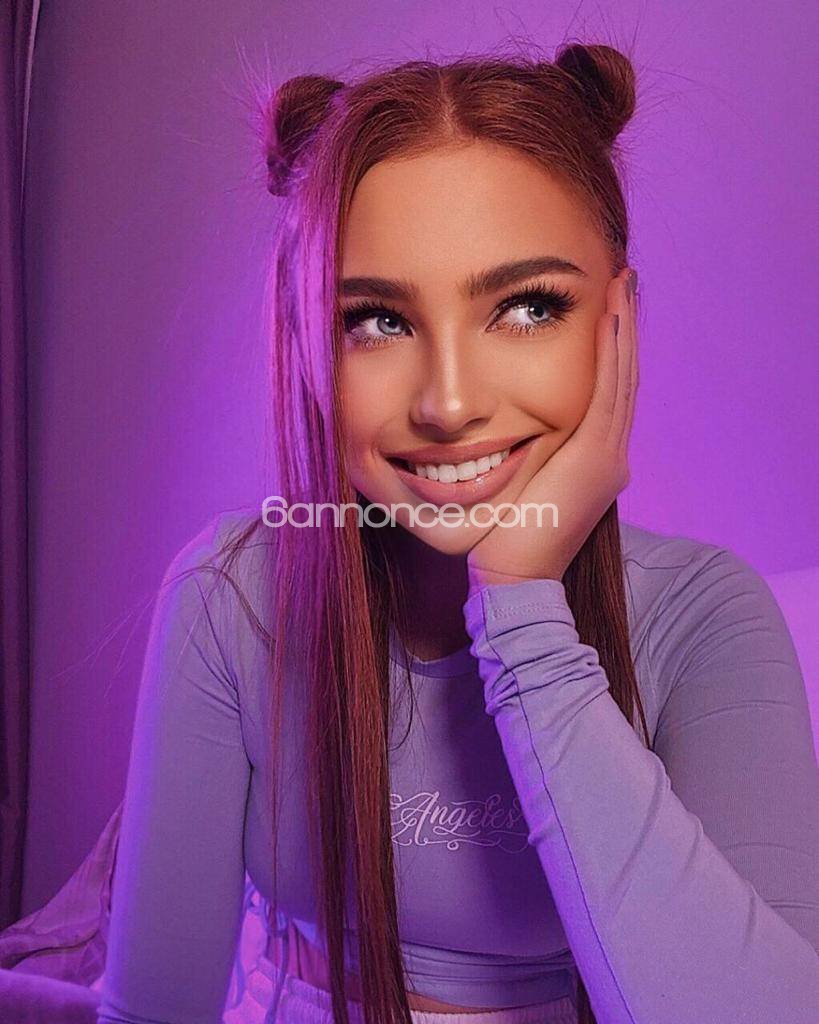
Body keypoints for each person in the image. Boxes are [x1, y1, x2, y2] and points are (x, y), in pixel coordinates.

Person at [95, 43, 819, 1024]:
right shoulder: (233, 596)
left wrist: (522, 608)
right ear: (305, 340)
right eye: (375, 321)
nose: (447, 403)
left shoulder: (703, 617)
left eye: (527, 308)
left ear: (618, 323)